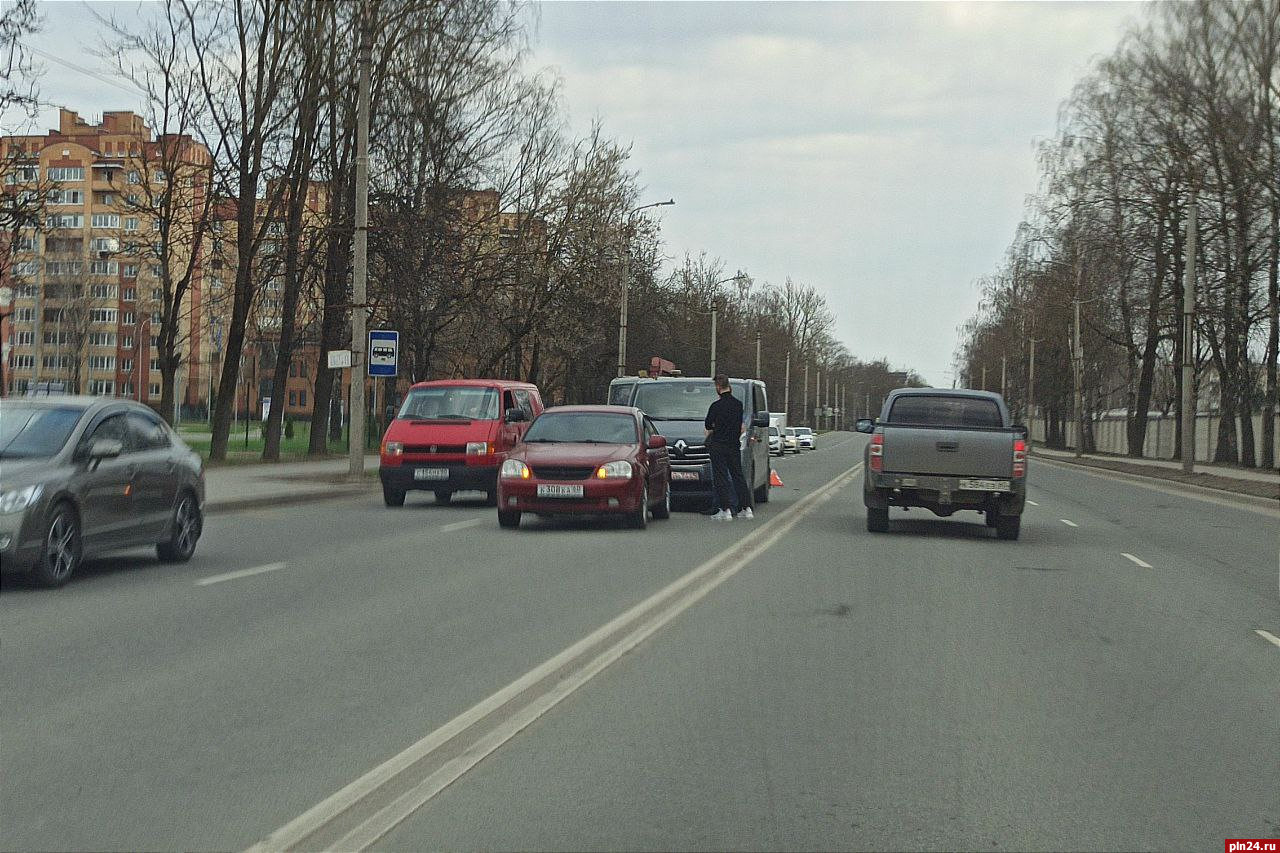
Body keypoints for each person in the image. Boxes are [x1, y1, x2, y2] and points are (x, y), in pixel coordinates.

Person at [703, 374, 753, 521]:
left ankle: (725, 510)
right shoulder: (738, 405)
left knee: (721, 477)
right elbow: (739, 425)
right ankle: (746, 508)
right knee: (738, 476)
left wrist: (715, 426)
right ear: (729, 386)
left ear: (718, 387)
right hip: (733, 445)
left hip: (718, 445)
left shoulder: (716, 406)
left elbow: (708, 424)